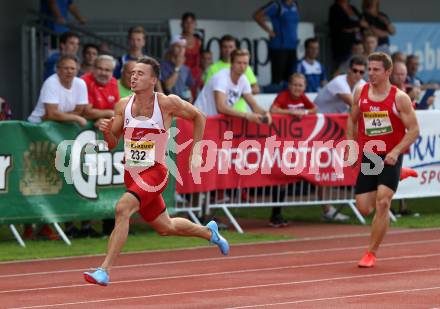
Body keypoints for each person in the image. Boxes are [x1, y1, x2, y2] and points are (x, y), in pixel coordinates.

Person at [83, 57, 229, 286]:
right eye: (132, 72)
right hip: (132, 173)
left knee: (122, 208)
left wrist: (197, 151)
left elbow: (199, 116)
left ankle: (104, 270)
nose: (134, 76)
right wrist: (106, 131)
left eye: (140, 73)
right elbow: (112, 142)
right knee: (165, 226)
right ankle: (209, 233)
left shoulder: (167, 103)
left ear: (153, 79)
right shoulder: (123, 105)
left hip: (155, 171)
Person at [346, 52, 419, 267]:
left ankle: (371, 252)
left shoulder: (399, 98)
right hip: (370, 155)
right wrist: (350, 147)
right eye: (369, 69)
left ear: (388, 72)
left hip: (390, 156)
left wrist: (396, 152)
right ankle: (400, 176)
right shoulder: (361, 91)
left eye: (376, 69)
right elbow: (352, 121)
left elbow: (413, 130)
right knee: (364, 208)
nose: (371, 73)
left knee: (383, 201)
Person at [315, 55, 367, 221]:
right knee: (325, 167)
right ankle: (327, 209)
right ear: (348, 70)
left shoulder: (362, 84)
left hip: (337, 129)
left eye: (361, 72)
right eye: (355, 71)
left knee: (335, 165)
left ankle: (339, 206)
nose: (357, 75)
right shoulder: (339, 82)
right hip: (318, 129)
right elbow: (355, 104)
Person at [269, 73, 317, 227]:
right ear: (289, 85)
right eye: (295, 85)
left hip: (296, 146)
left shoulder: (303, 98)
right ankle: (275, 214)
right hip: (280, 143)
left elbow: (314, 109)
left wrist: (305, 113)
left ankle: (277, 214)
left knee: (286, 178)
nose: (297, 88)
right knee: (279, 178)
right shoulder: (283, 96)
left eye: (300, 85)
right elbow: (273, 110)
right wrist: (291, 113)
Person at [195, 49, 270, 122]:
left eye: (245, 63)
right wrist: (246, 115)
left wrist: (265, 113)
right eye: (239, 63)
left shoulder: (244, 79)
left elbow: (254, 105)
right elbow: (221, 107)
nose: (242, 66)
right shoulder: (221, 78)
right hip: (200, 119)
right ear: (232, 63)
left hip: (214, 121)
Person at [204, 35, 259, 113]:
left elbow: (255, 89)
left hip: (240, 113)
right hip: (218, 116)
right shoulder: (214, 69)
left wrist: (238, 92)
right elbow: (210, 93)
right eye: (225, 47)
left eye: (231, 47)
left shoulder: (245, 70)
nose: (228, 50)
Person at [29, 54, 88, 125]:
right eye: (66, 68)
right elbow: (52, 114)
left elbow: (79, 111)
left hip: (58, 124)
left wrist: (57, 116)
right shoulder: (51, 82)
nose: (69, 71)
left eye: (72, 68)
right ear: (58, 70)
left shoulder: (81, 83)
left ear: (77, 71)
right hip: (37, 125)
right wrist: (76, 118)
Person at [254, 0, 299, 84]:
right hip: (279, 48)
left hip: (292, 47)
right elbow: (257, 15)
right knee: (278, 80)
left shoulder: (295, 4)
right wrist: (270, 32)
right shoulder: (277, 5)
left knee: (292, 80)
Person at [328, 0, 367, 69]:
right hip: (342, 45)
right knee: (343, 67)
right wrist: (357, 25)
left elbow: (363, 23)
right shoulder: (334, 8)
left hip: (356, 45)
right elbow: (341, 25)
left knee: (357, 65)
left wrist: (355, 27)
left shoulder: (352, 8)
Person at [161, 36, 194, 102]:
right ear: (171, 47)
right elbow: (168, 86)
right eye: (178, 46)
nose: (181, 49)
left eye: (184, 47)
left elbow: (187, 87)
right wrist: (177, 67)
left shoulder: (186, 68)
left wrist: (189, 96)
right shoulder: (163, 66)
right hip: (169, 104)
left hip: (183, 105)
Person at [180, 12, 203, 98]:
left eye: (191, 22)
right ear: (182, 24)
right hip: (182, 76)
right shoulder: (178, 40)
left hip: (195, 76)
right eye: (187, 22)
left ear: (195, 24)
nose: (189, 25)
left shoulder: (198, 41)